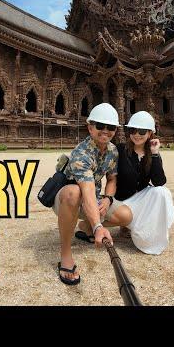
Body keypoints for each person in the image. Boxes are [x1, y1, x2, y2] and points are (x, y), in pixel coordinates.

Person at [52, 102, 120, 286]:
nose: (105, 131)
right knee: (74, 193)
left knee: (126, 215)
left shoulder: (113, 151)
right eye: (100, 126)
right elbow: (87, 191)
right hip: (68, 200)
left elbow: (112, 179)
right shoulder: (81, 153)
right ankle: (66, 255)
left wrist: (108, 198)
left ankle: (86, 227)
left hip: (94, 199)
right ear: (90, 128)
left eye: (111, 127)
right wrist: (99, 225)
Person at [112, 111, 174, 255]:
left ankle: (146, 231)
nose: (136, 134)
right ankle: (123, 224)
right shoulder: (120, 150)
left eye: (141, 131)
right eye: (132, 130)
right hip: (123, 201)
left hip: (141, 199)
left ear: (150, 133)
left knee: (163, 192)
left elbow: (159, 181)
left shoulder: (151, 154)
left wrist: (154, 153)